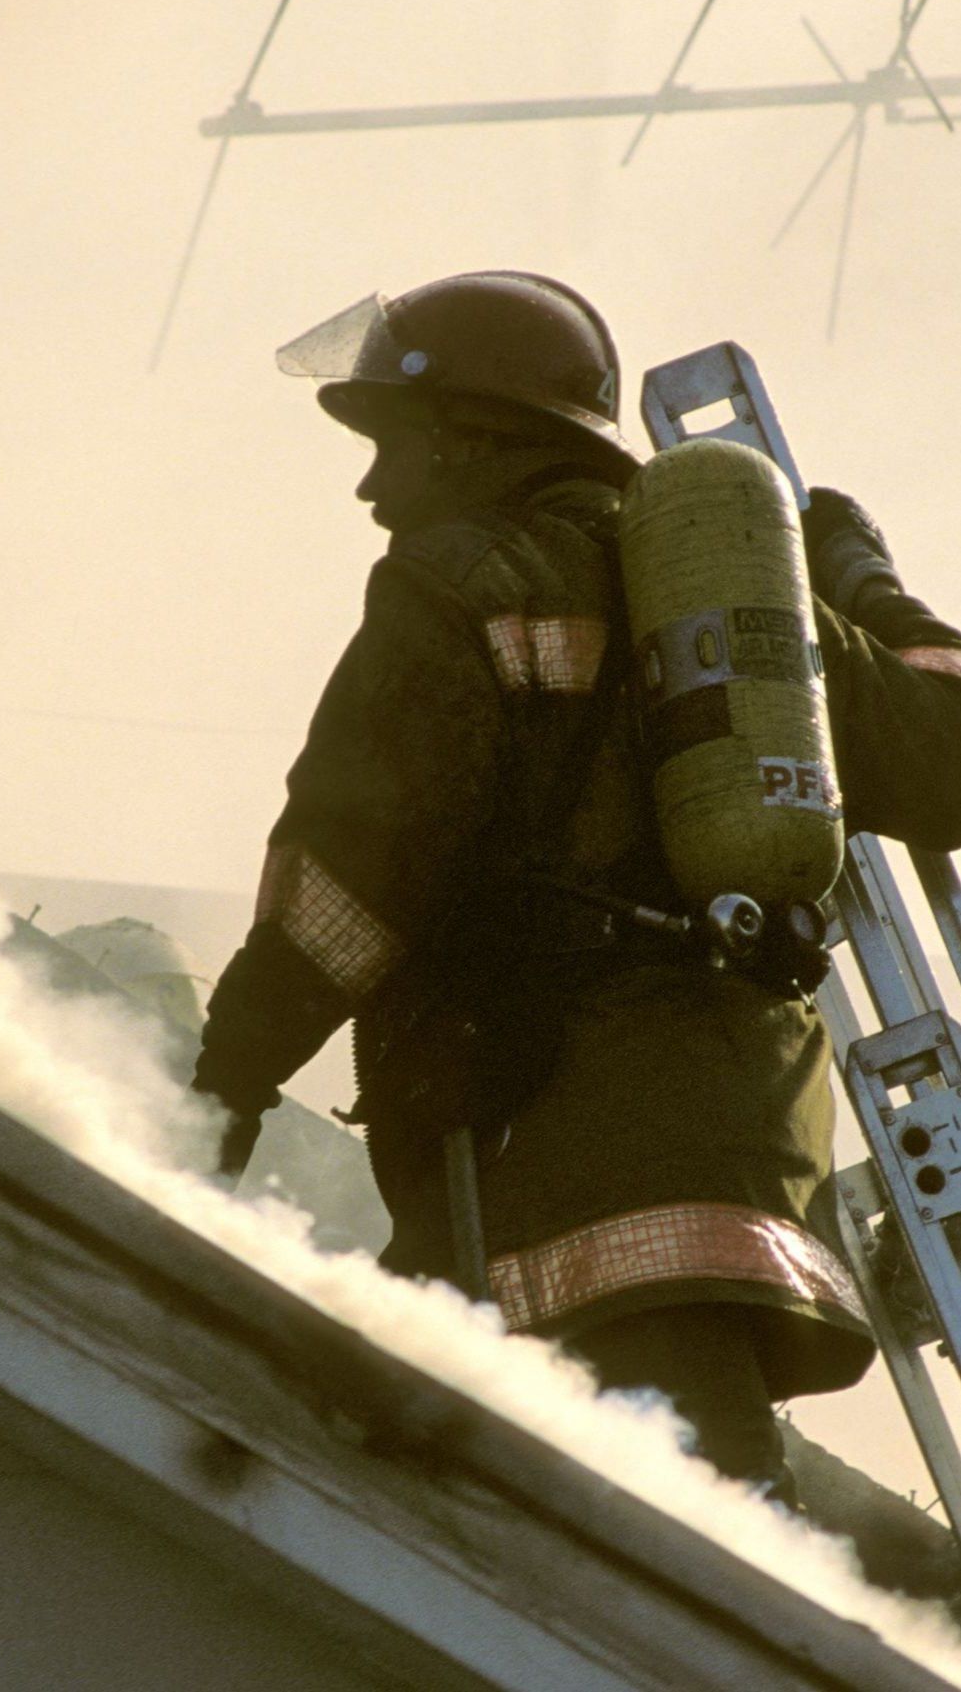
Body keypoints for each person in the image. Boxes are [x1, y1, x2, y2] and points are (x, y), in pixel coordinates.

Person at [191, 270, 961, 1504]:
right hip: (736, 1176)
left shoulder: (462, 581)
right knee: (706, 1538)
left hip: (540, 1155)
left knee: (586, 1570)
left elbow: (347, 874)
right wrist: (862, 578)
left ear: (466, 434)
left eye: (392, 445)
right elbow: (950, 752)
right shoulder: (753, 613)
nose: (372, 486)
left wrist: (217, 1091)